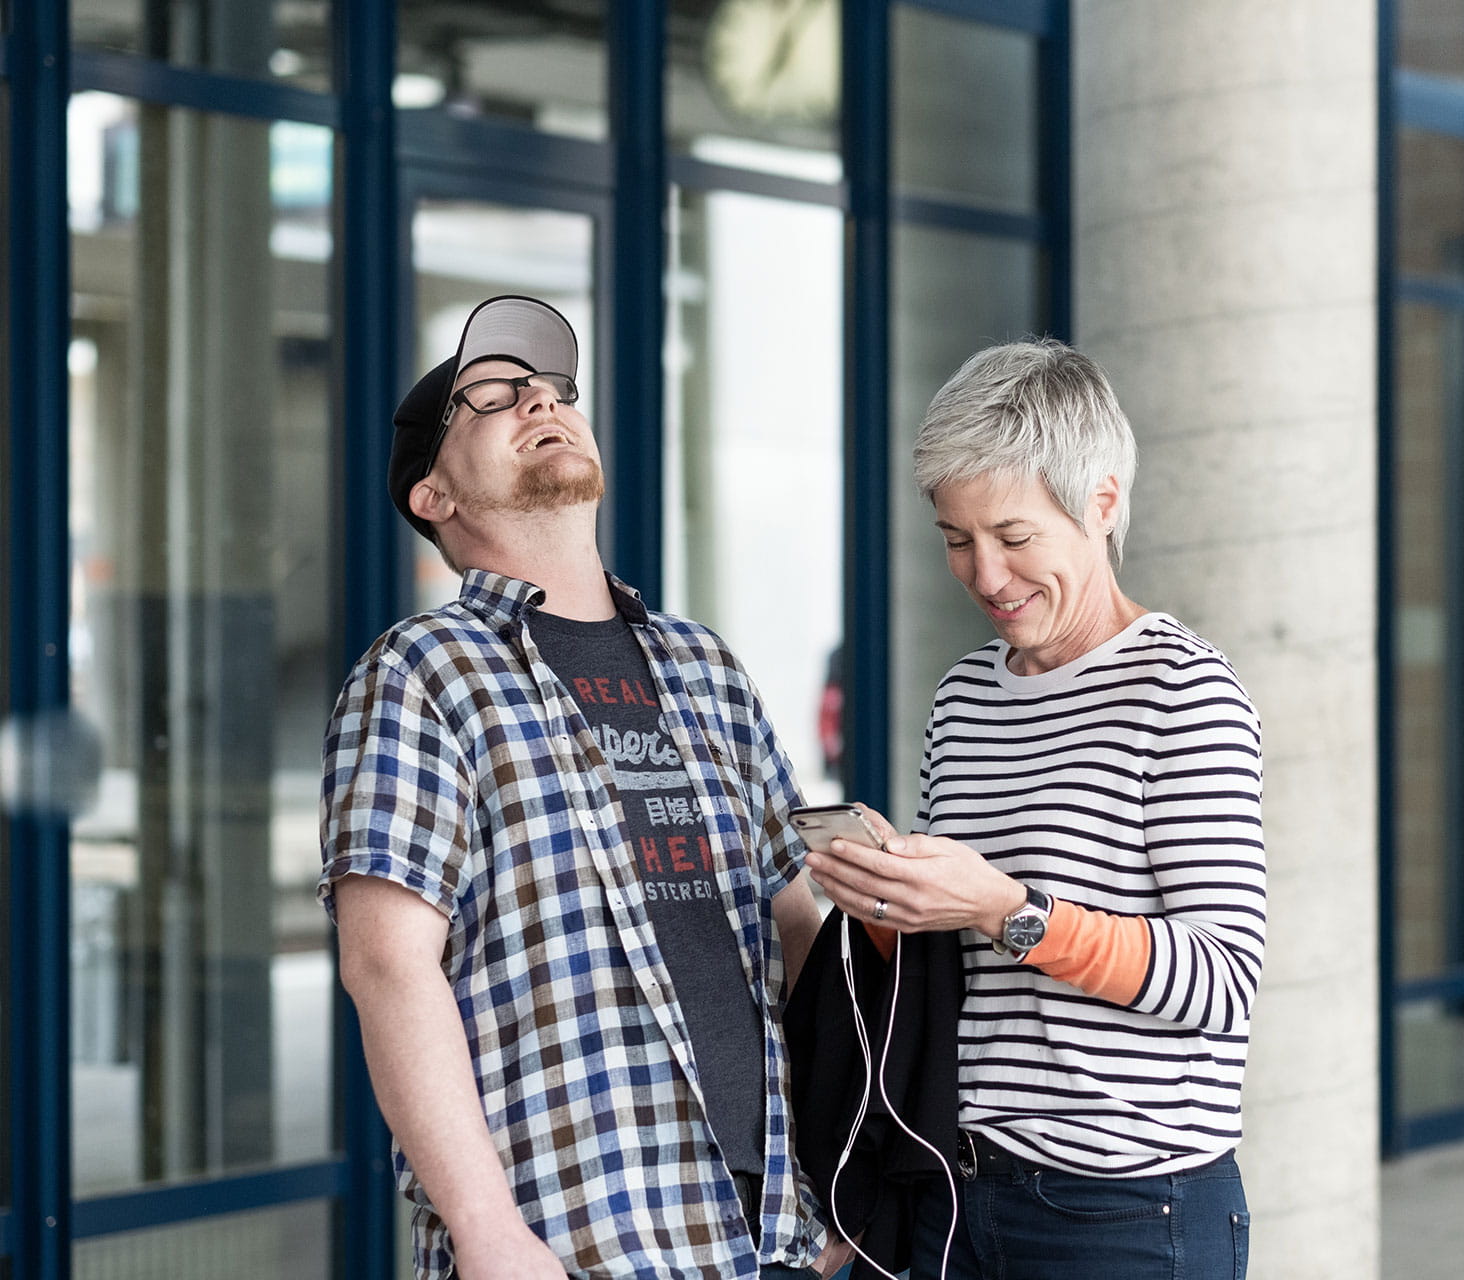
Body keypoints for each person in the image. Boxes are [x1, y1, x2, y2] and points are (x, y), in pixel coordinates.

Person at [319, 295, 849, 1280]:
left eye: (556, 389)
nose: (540, 400)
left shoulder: (707, 668)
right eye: (494, 396)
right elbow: (389, 965)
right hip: (579, 1242)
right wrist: (485, 1231)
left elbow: (796, 932)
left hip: (773, 1234)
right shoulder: (423, 671)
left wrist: (847, 1192)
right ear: (433, 496)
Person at [803, 339, 1268, 1279]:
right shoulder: (965, 699)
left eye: (1014, 538)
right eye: (956, 541)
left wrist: (1000, 906)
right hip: (961, 1190)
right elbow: (961, 973)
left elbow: (1222, 982)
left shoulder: (1183, 693)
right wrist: (896, 903)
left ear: (1101, 503)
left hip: (1128, 1214)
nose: (986, 576)